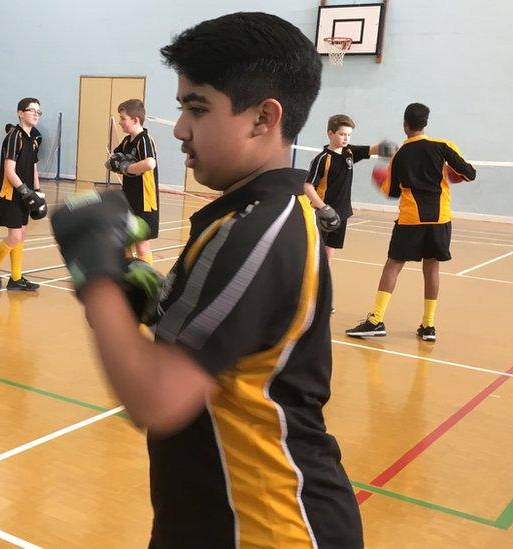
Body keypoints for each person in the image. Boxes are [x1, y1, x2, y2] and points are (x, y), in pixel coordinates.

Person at [51, 13, 363, 547]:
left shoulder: (259, 231)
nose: (179, 128)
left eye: (197, 108)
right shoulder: (245, 215)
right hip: (215, 518)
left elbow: (156, 398)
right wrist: (141, 289)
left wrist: (96, 277)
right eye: (181, 107)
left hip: (266, 527)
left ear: (264, 118)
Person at [345, 102, 476, 341]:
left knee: (393, 265)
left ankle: (375, 320)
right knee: (432, 267)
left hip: (410, 219)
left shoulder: (400, 155)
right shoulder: (443, 146)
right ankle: (428, 326)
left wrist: (379, 179)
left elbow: (393, 191)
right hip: (440, 218)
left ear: (405, 124)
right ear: (425, 124)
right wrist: (450, 174)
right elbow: (470, 173)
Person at [305, 114, 396, 264]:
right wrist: (322, 208)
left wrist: (386, 148)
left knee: (330, 249)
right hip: (324, 213)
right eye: (342, 134)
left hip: (342, 212)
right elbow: (308, 186)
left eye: (348, 135)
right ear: (330, 133)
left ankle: (323, 278)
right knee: (315, 250)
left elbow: (371, 149)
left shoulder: (349, 152)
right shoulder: (322, 159)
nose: (346, 138)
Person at [0, 98, 45, 291]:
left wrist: (38, 191)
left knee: (22, 234)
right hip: (11, 193)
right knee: (15, 236)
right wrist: (26, 192)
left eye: (38, 112)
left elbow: (34, 167)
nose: (36, 114)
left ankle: (16, 278)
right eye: (31, 110)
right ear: (20, 113)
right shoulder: (14, 136)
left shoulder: (33, 139)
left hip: (25, 193)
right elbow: (9, 170)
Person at [107, 99, 160, 264]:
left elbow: (150, 163)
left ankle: (146, 282)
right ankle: (128, 276)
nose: (120, 122)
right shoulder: (127, 140)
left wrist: (128, 168)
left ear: (135, 120)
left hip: (145, 199)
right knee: (124, 240)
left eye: (123, 118)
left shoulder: (143, 139)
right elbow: (113, 159)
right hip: (128, 197)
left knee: (141, 243)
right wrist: (116, 162)